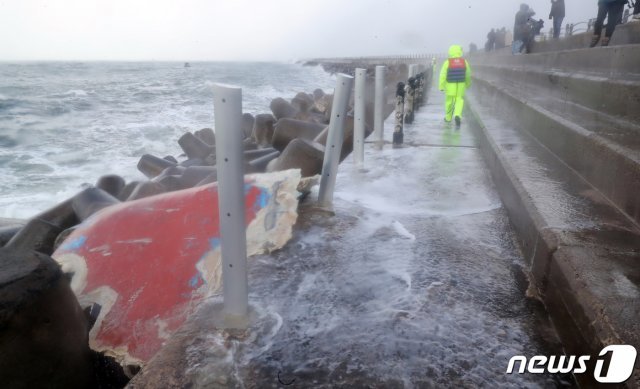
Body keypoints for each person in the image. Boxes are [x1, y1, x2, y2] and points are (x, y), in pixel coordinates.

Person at [439, 45, 472, 129]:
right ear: (459, 51)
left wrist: (441, 86)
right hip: (461, 85)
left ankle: (448, 118)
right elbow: (468, 74)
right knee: (459, 100)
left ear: (450, 52)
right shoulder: (464, 62)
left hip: (450, 85)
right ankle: (457, 115)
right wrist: (468, 84)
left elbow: (442, 75)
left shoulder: (448, 62)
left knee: (449, 101)